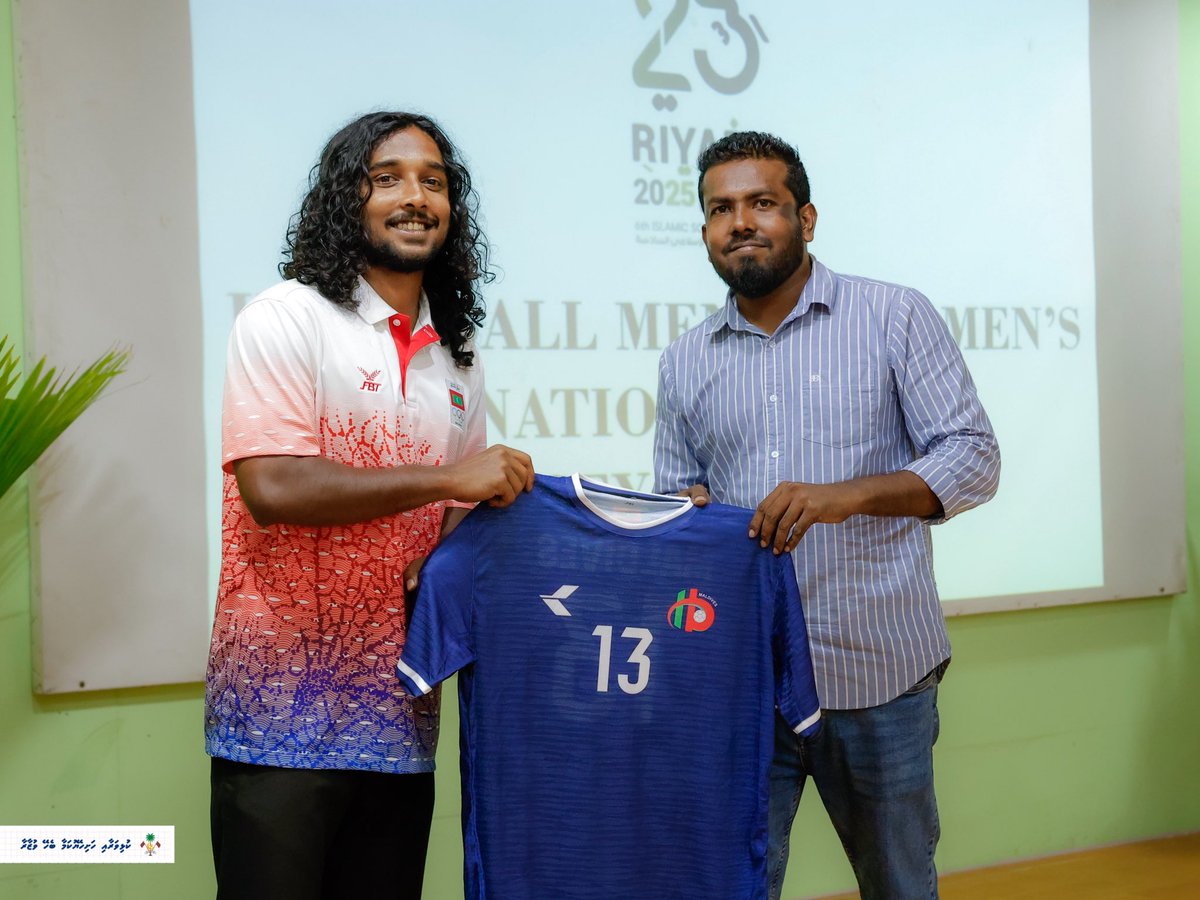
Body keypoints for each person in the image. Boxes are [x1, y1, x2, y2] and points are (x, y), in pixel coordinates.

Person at [653, 131, 1000, 899]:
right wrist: (684, 518)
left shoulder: (894, 317)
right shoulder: (684, 361)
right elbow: (679, 501)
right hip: (747, 681)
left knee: (900, 885)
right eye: (721, 209)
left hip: (878, 673)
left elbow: (975, 457)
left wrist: (846, 496)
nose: (740, 222)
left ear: (806, 218)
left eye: (762, 203)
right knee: (734, 884)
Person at [205, 111, 534, 900]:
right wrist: (447, 483)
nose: (414, 196)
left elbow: (461, 515)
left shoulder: (457, 355)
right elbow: (274, 486)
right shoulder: (285, 318)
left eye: (434, 180)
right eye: (387, 177)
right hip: (276, 718)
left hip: (399, 717)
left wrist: (459, 537)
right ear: (345, 199)